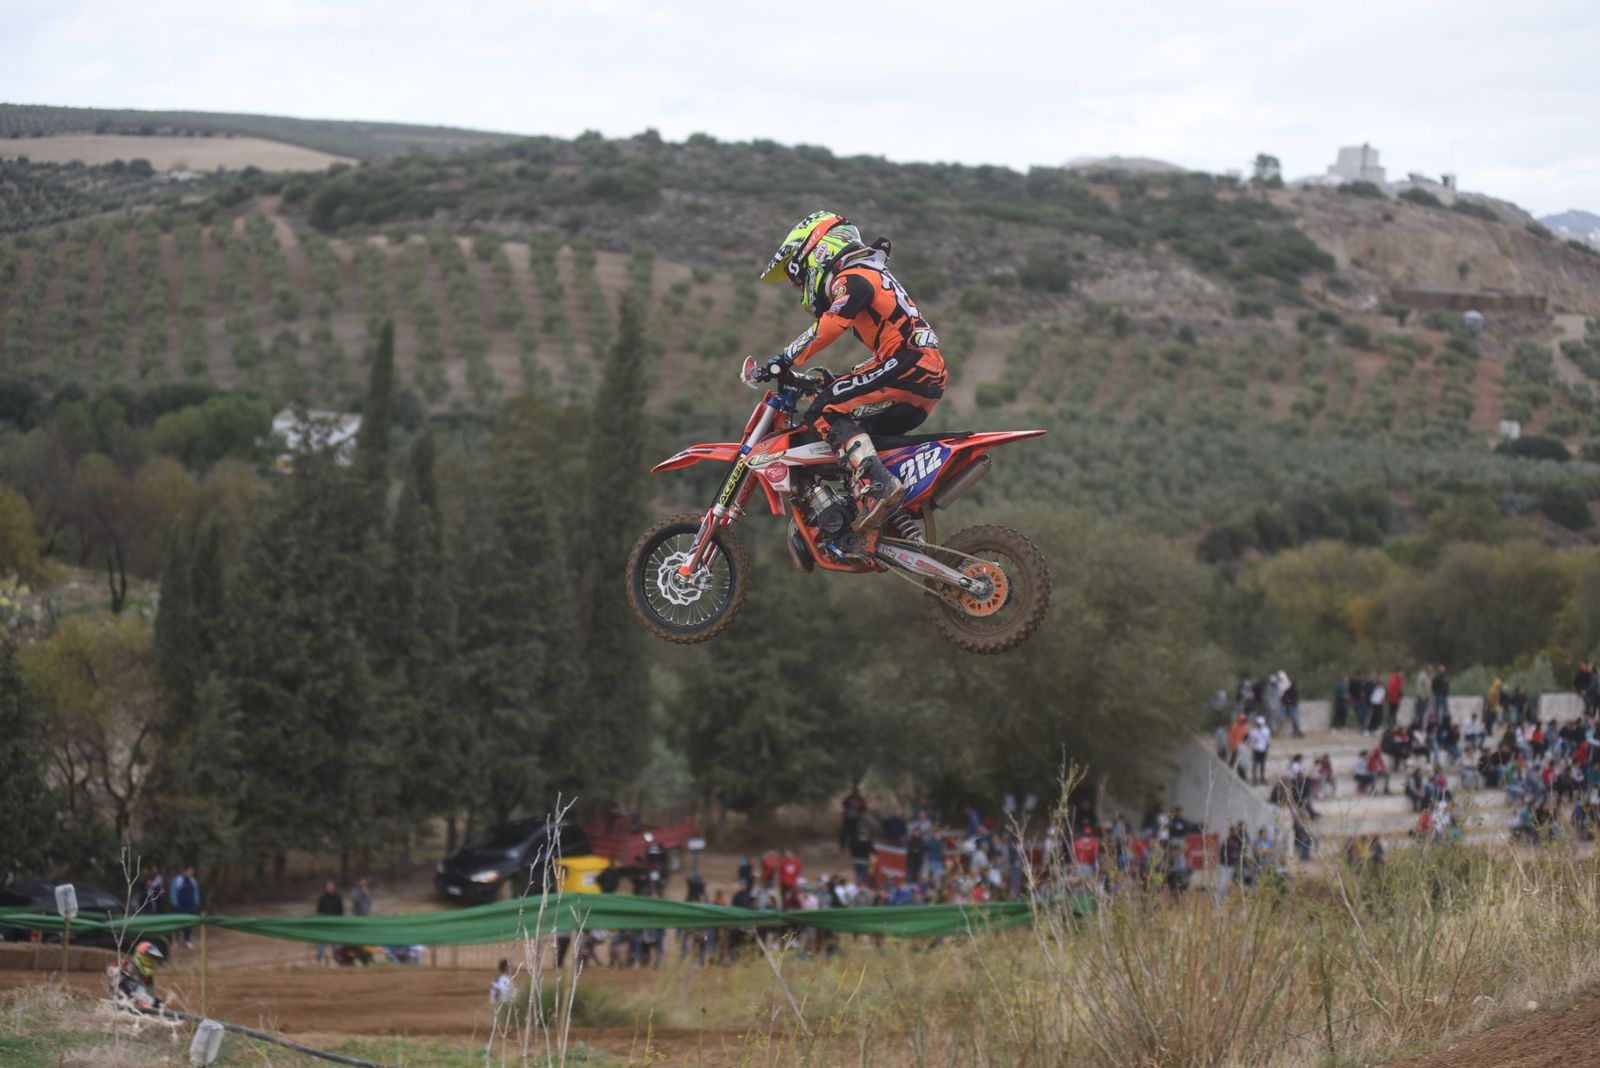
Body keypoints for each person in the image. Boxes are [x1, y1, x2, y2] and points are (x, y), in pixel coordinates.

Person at [757, 210, 948, 531]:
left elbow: (831, 325)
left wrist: (784, 358)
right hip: (920, 371)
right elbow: (887, 345)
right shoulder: (870, 272)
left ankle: (878, 486)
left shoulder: (854, 275)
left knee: (823, 412)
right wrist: (835, 380)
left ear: (818, 251)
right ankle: (879, 518)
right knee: (847, 424)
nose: (802, 287)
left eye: (801, 277)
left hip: (906, 364)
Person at [115, 940, 165, 1009]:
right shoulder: (128, 968)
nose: (150, 962)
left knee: (157, 1003)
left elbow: (149, 992)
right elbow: (119, 984)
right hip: (122, 1002)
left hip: (140, 1003)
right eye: (148, 959)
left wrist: (154, 1003)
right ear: (141, 957)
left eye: (152, 960)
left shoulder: (148, 978)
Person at [169, 865, 200, 949]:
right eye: (190, 871)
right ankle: (175, 941)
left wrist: (196, 903)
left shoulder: (193, 880)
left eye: (192, 871)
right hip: (180, 906)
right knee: (177, 923)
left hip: (190, 906)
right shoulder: (178, 880)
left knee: (189, 924)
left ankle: (187, 940)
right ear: (184, 871)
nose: (191, 873)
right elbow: (173, 892)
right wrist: (175, 904)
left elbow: (195, 892)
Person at [315, 880, 343, 965]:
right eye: (328, 888)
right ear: (326, 888)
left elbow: (341, 911)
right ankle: (319, 957)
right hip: (324, 925)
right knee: (321, 941)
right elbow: (319, 911)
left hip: (335, 925)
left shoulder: (337, 898)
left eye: (331, 888)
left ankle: (336, 957)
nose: (330, 889)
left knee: (336, 942)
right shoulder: (322, 898)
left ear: (334, 889)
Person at [489, 958, 515, 1025]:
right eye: (510, 966)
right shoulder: (507, 980)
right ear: (506, 968)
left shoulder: (496, 979)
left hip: (494, 1005)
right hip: (503, 1006)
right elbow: (507, 994)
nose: (512, 968)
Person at [1247, 716, 1272, 785]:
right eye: (1258, 723)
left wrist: (1267, 747)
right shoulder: (1253, 731)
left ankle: (1262, 778)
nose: (1258, 725)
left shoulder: (1266, 730)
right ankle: (1255, 779)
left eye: (1260, 723)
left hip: (1263, 750)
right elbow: (1249, 740)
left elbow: (1268, 741)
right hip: (1256, 750)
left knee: (1262, 765)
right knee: (1255, 765)